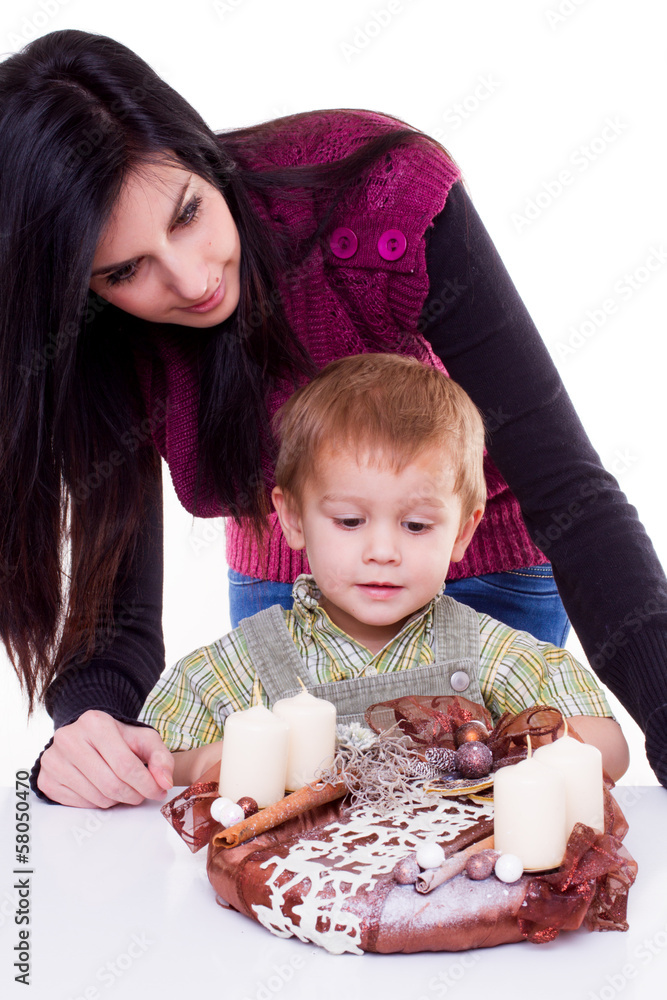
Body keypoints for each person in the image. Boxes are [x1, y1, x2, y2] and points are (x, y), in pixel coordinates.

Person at [0, 30, 662, 808]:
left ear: (198, 152)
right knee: (301, 822)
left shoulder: (375, 198)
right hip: (282, 586)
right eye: (124, 270)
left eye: (188, 215)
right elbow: (116, 602)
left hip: (483, 566)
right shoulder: (89, 337)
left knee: (474, 819)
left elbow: (568, 490)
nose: (190, 278)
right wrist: (93, 730)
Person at [140, 355, 629, 785]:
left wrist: (509, 749)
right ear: (293, 519)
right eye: (350, 521)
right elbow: (159, 757)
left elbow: (611, 746)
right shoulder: (244, 664)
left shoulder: (488, 653)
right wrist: (208, 761)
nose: (382, 552)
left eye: (415, 526)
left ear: (462, 532)